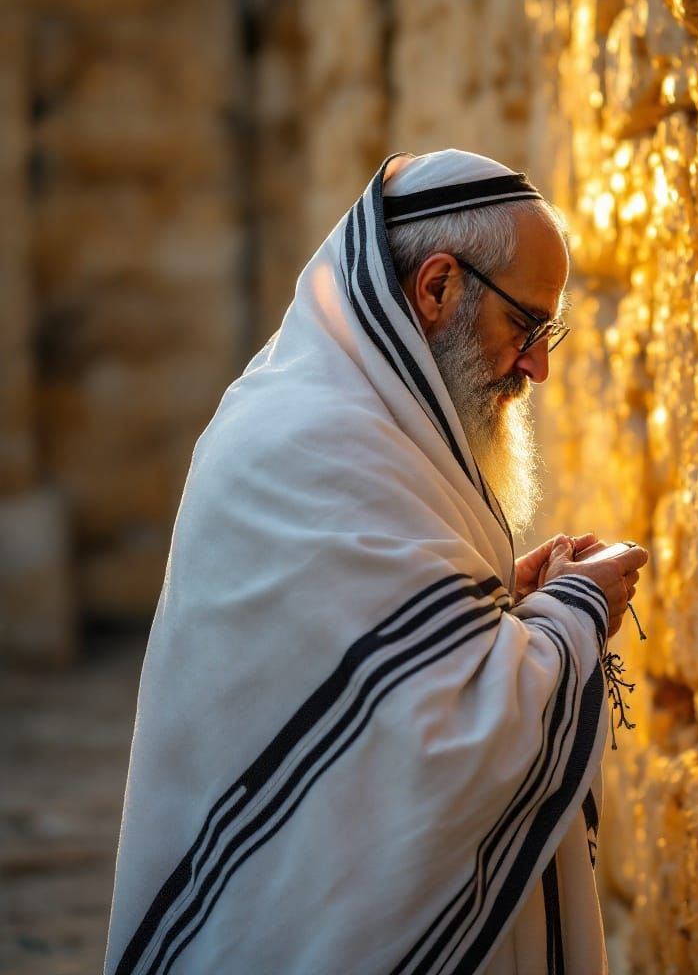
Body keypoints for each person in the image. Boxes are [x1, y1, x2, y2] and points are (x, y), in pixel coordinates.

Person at [104, 149, 649, 975]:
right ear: (436, 289)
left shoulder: (348, 422)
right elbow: (433, 742)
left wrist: (504, 603)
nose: (538, 364)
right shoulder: (309, 443)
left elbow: (389, 662)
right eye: (528, 326)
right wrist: (575, 612)